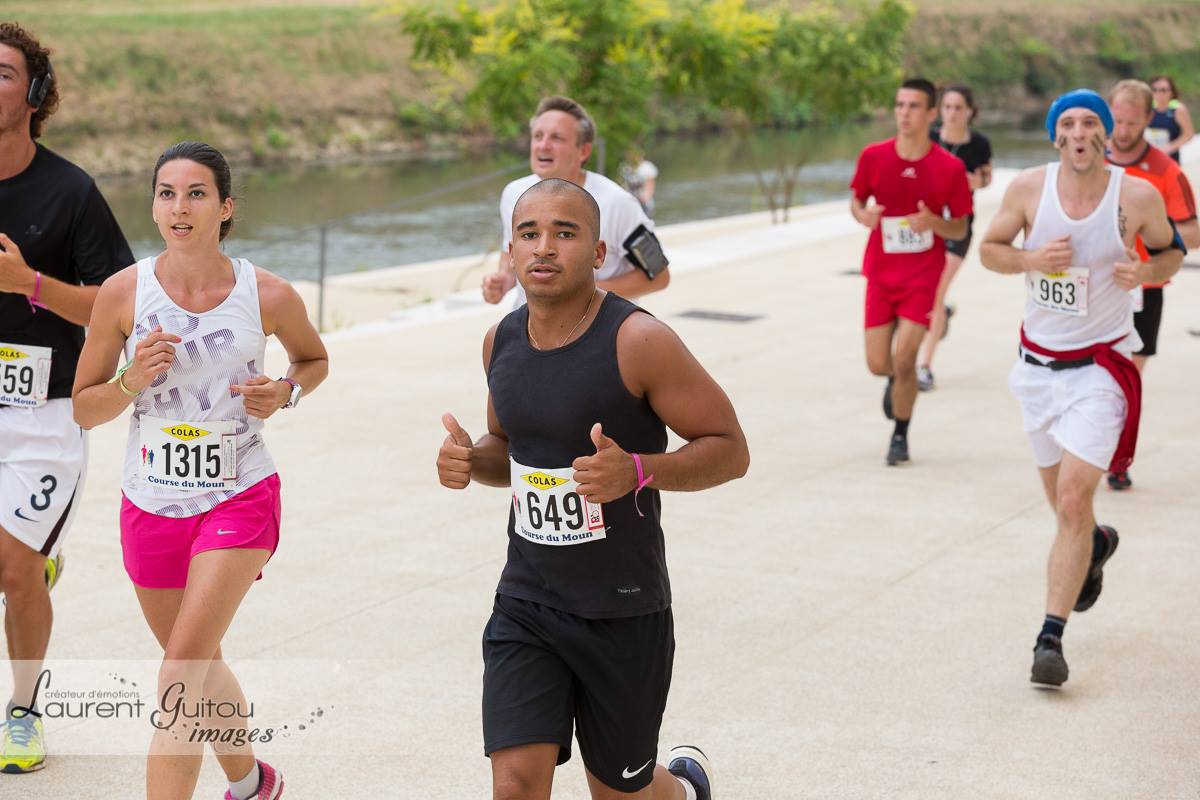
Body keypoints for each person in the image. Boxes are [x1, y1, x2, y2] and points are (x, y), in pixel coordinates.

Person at [439, 178, 748, 800]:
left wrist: (639, 470)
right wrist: (472, 459)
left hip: (621, 607)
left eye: (565, 233)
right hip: (527, 599)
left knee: (620, 793)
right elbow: (510, 452)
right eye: (529, 234)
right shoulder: (501, 340)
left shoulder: (638, 341)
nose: (544, 247)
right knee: (514, 787)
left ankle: (683, 790)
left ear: (599, 252)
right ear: (510, 250)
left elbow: (730, 450)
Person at [73, 141, 329, 799]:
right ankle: (252, 782)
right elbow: (84, 407)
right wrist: (131, 379)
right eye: (166, 193)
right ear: (153, 205)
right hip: (150, 503)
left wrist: (285, 391)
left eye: (195, 194)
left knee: (179, 675)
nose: (179, 208)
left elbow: (313, 360)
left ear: (225, 207)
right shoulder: (122, 293)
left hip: (239, 495)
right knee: (199, 663)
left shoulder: (266, 293)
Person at [979, 89, 1185, 687]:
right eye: (1066, 122)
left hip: (1102, 369)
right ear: (1055, 136)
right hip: (1037, 372)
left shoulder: (1136, 196)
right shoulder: (1028, 189)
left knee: (1072, 500)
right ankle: (1093, 545)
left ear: (1105, 134)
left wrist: (1145, 271)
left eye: (1090, 121)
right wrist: (1031, 259)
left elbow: (1172, 253)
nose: (1078, 131)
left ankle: (1050, 638)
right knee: (1064, 506)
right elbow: (990, 250)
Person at [0, 22, 134, 774]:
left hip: (44, 414)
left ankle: (21, 715)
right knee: (14, 565)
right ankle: (37, 558)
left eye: (2, 72)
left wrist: (30, 285)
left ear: (36, 93)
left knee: (14, 570)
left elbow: (119, 304)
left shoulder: (70, 191)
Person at [849, 77, 972, 465]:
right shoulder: (873, 156)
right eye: (900, 105)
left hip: (922, 275)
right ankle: (896, 382)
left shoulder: (949, 167)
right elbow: (856, 201)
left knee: (906, 360)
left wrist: (934, 222)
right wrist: (864, 216)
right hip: (880, 272)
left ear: (931, 113)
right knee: (878, 364)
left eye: (914, 106)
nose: (904, 113)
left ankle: (900, 434)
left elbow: (960, 228)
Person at [482, 96, 670, 308]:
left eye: (557, 138)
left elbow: (659, 276)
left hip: (599, 327)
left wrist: (581, 294)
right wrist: (503, 280)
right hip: (528, 325)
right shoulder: (513, 194)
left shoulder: (618, 203)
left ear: (584, 151)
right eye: (538, 136)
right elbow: (511, 256)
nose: (543, 145)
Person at [1105, 79, 1200, 491]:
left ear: (1149, 118)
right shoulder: (1088, 161)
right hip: (1091, 285)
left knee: (1127, 378)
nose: (1122, 130)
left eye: (1131, 122)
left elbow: (1193, 232)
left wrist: (1150, 233)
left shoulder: (1165, 171)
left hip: (1144, 287)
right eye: (1116, 121)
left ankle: (1118, 458)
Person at [917, 83, 992, 392]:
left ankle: (924, 366)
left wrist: (974, 182)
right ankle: (941, 315)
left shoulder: (979, 144)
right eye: (947, 107)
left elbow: (986, 178)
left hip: (958, 227)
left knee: (934, 293)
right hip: (926, 226)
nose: (952, 113)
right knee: (924, 292)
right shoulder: (929, 139)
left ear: (969, 111)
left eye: (958, 108)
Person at [1146, 75, 1193, 164]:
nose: (1159, 93)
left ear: (1171, 92)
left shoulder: (1177, 109)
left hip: (1170, 159)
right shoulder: (1148, 108)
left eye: (1163, 90)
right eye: (1155, 90)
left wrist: (1170, 147)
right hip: (1149, 158)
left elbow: (1188, 134)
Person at [621, 147, 659, 219]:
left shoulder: (646, 167)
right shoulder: (625, 167)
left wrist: (645, 198)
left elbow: (650, 184)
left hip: (643, 201)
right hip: (630, 200)